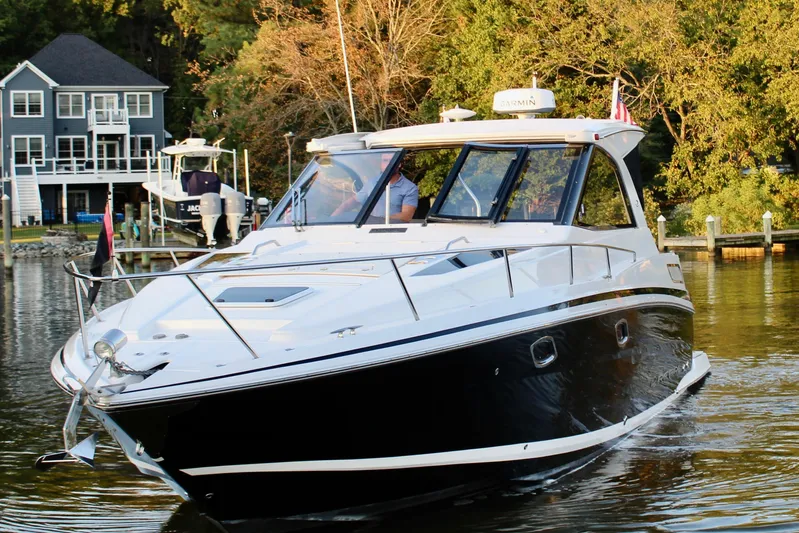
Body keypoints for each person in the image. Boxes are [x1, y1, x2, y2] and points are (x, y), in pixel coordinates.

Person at [331, 153, 418, 222]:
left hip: (395, 230)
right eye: (385, 160)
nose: (388, 164)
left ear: (399, 164)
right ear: (380, 164)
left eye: (392, 160)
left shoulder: (410, 188)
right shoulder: (372, 183)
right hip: (370, 227)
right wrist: (331, 219)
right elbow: (351, 203)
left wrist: (378, 220)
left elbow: (406, 216)